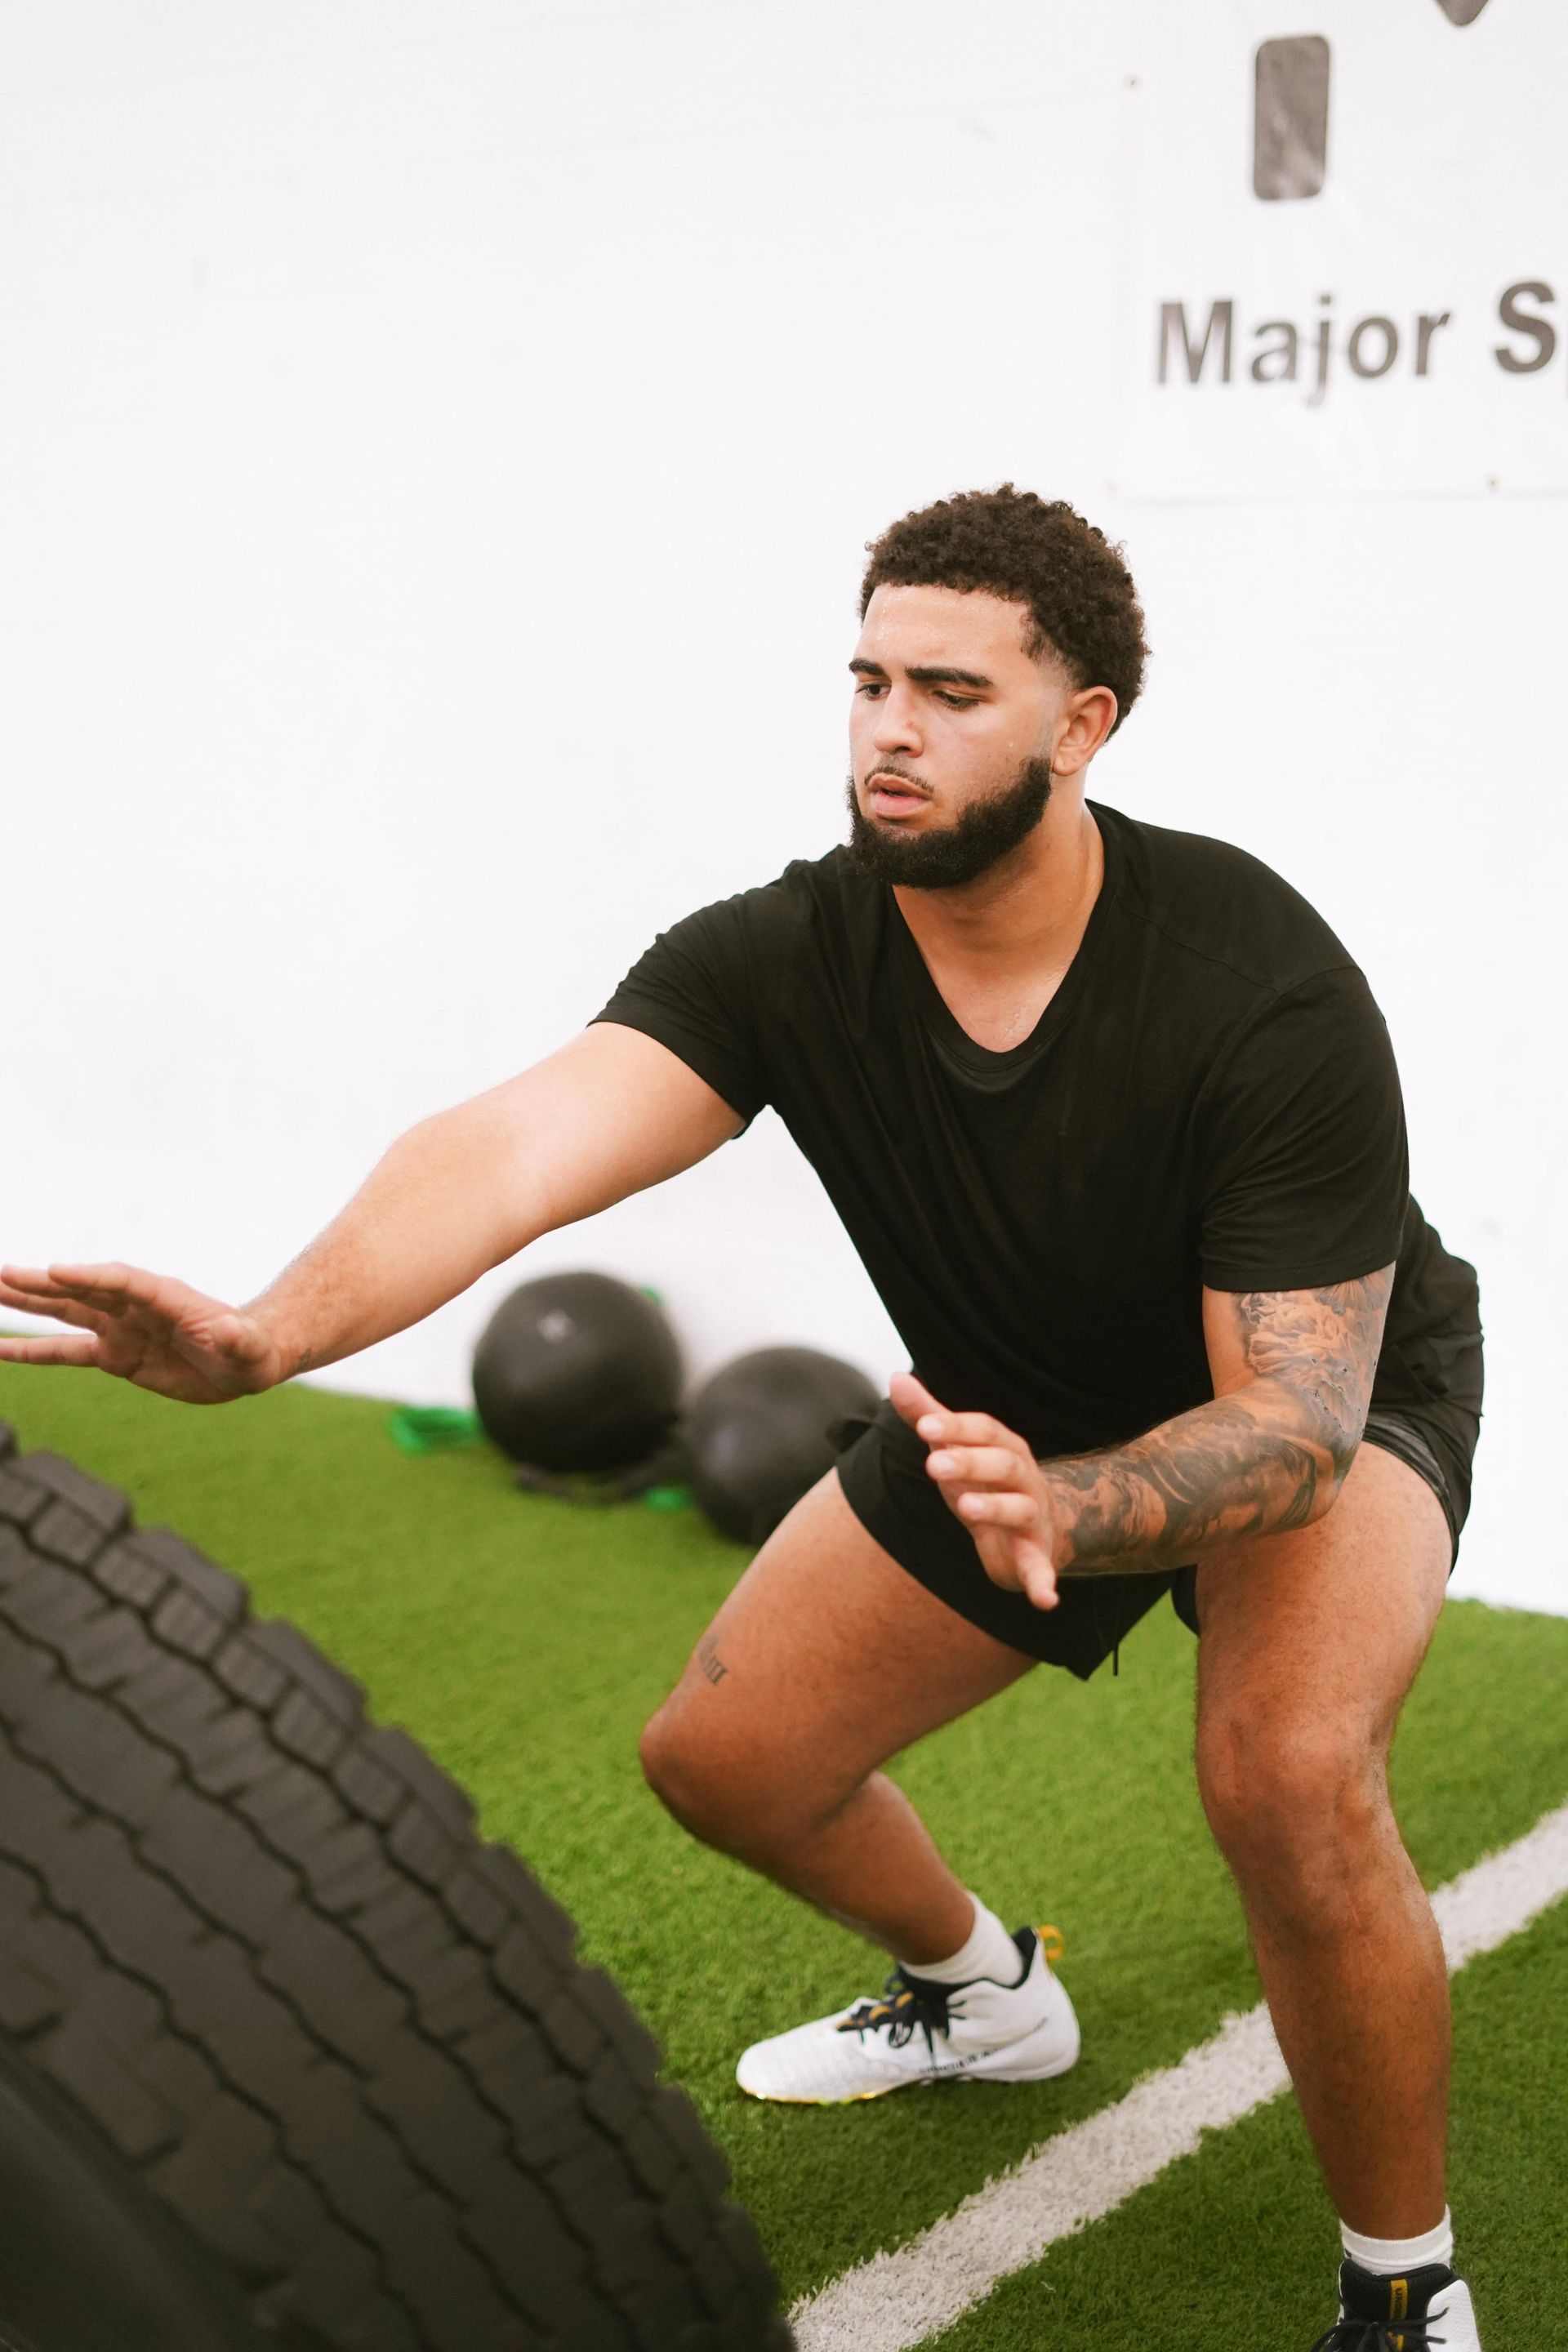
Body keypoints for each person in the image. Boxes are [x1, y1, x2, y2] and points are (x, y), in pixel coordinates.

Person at [0, 488, 1485, 2350]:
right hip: (1002, 1416)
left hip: (1303, 1405)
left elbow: (1292, 1423)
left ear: (1083, 723)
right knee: (726, 1759)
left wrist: (1082, 1509)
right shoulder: (789, 954)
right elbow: (515, 1144)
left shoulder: (1253, 980)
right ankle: (982, 1989)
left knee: (1283, 1780)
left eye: (948, 689)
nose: (888, 726)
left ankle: (1403, 2287)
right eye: (868, 679)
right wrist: (266, 1331)